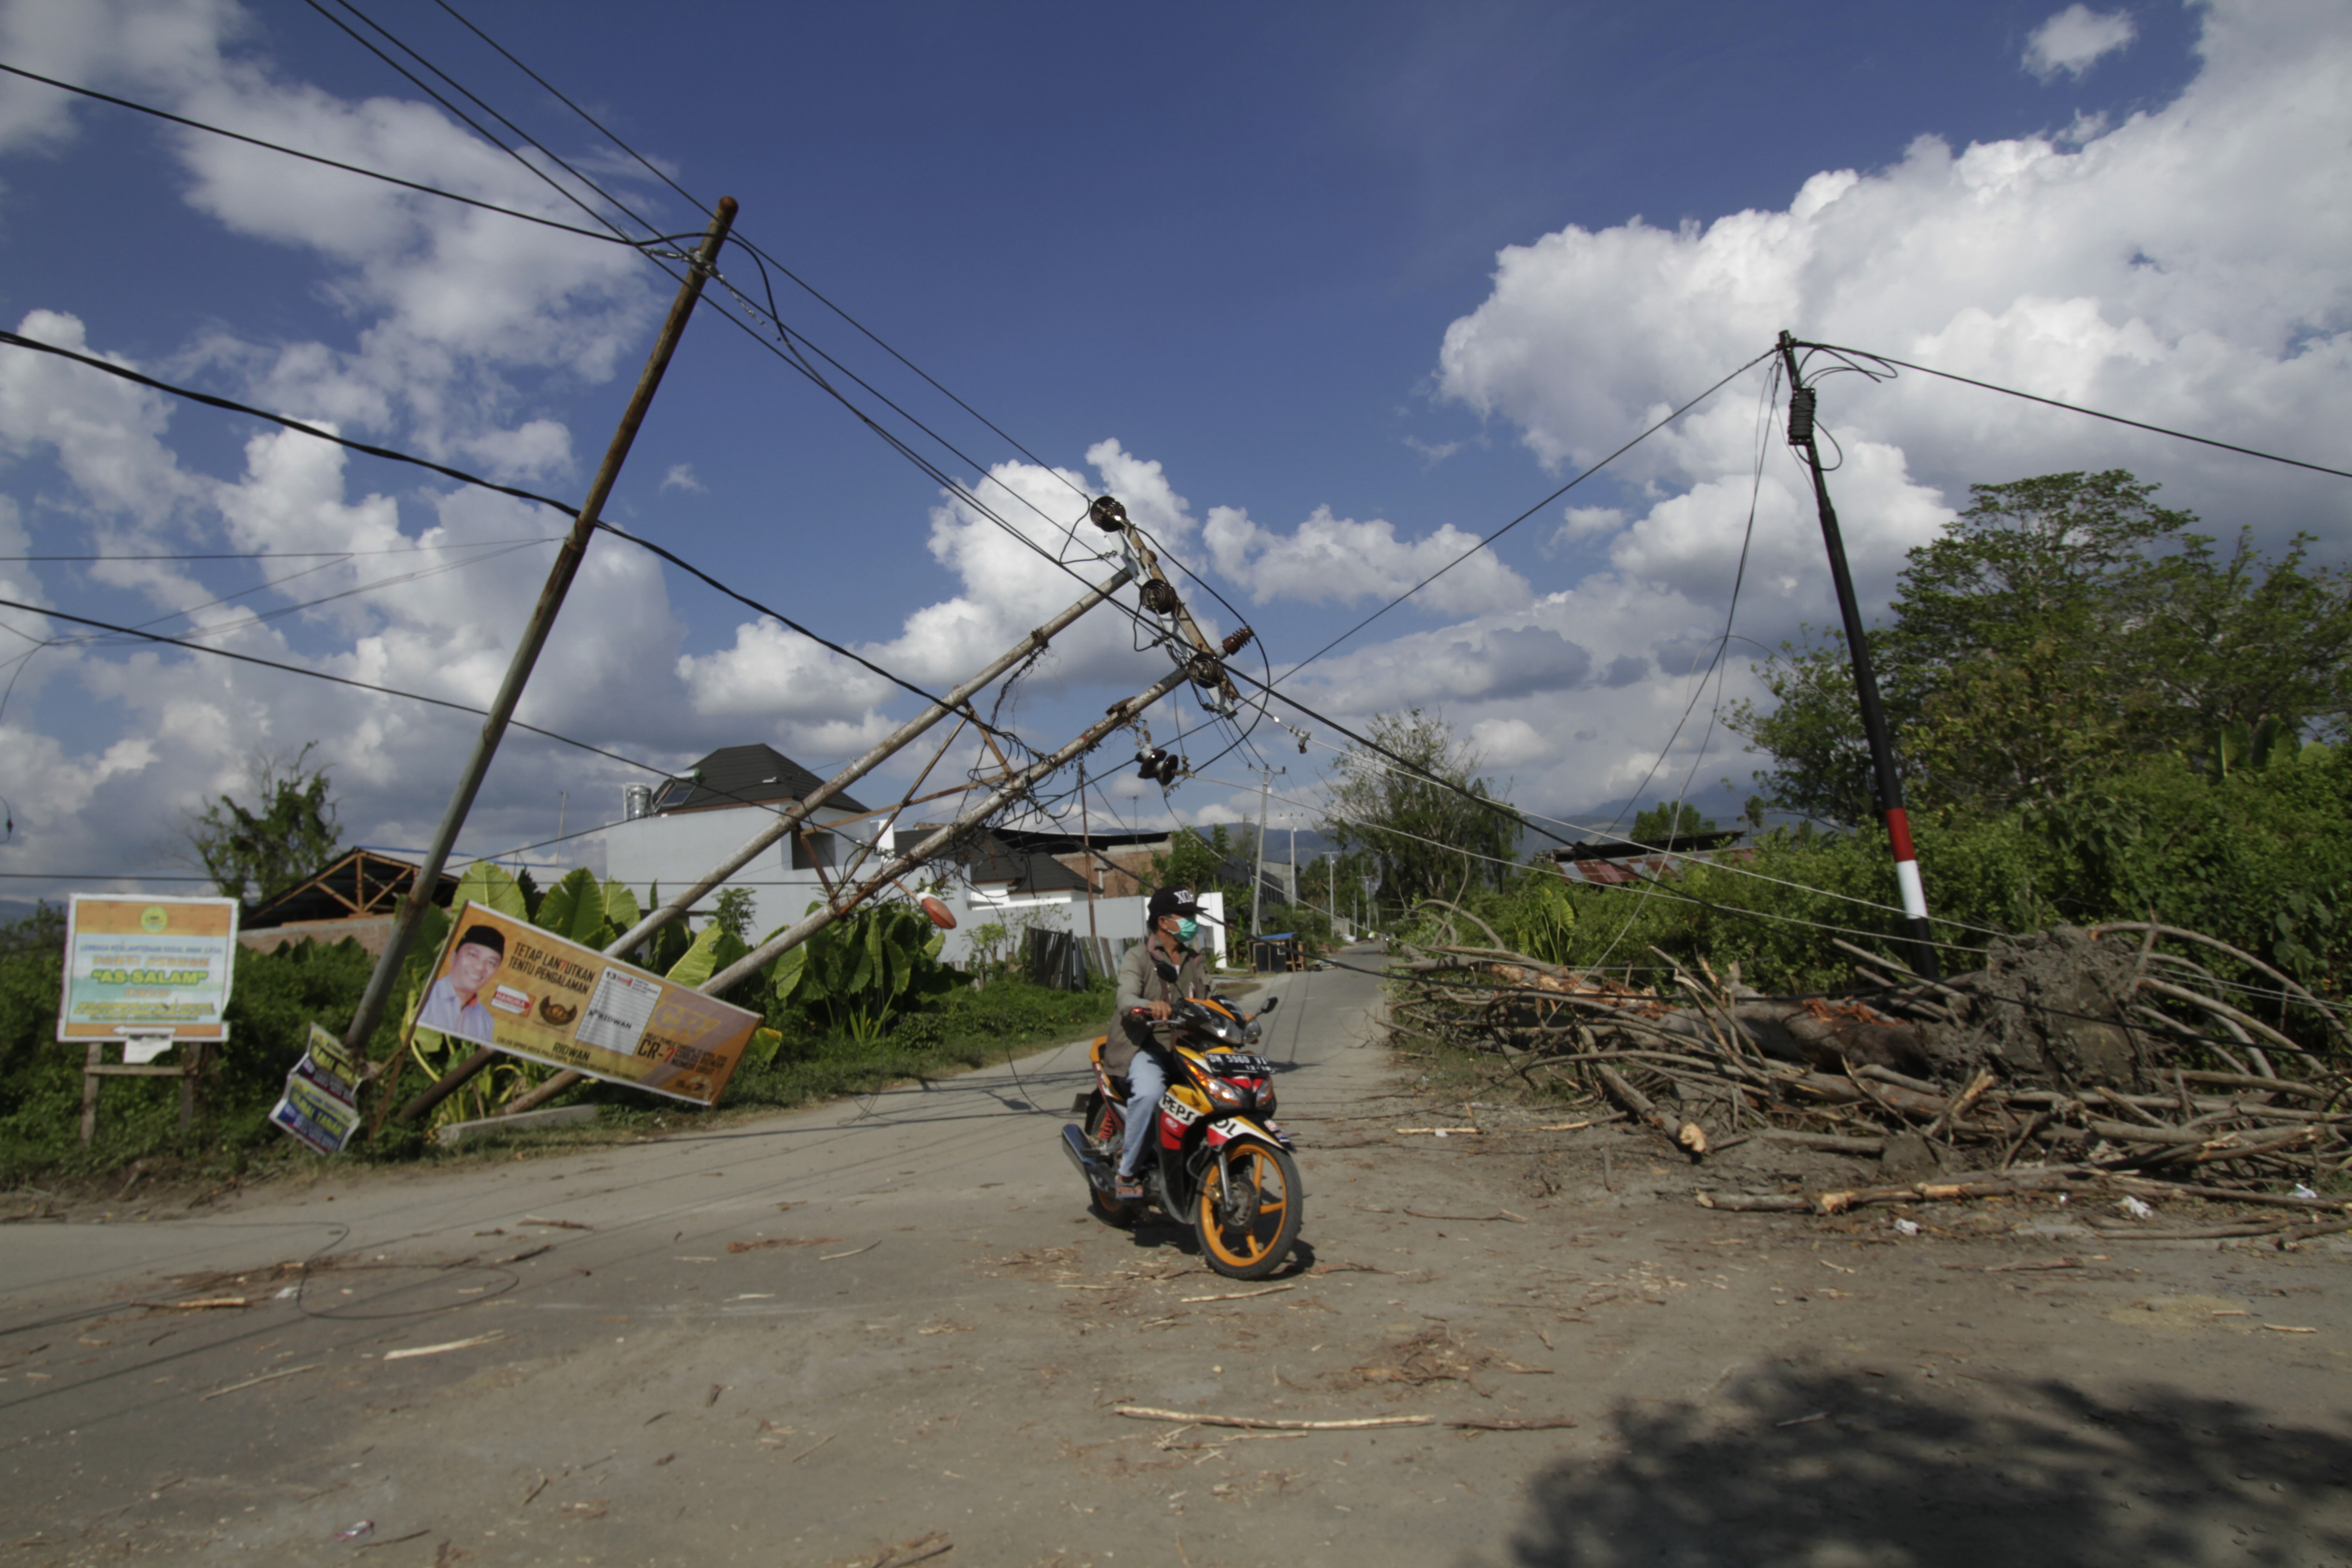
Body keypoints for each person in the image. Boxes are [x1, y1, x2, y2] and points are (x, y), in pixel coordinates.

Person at [1109, 886, 1212, 1201]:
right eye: (1188, 917)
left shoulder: (1195, 960)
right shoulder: (1137, 957)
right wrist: (1147, 1005)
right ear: (1164, 922)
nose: (1193, 923)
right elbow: (1125, 996)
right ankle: (1126, 1172)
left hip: (1188, 1049)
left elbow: (1213, 999)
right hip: (1146, 1046)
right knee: (1152, 1092)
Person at [416, 924, 505, 1045]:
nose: (480, 967)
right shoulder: (426, 997)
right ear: (453, 957)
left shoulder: (485, 1020)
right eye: (473, 955)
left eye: (491, 963)